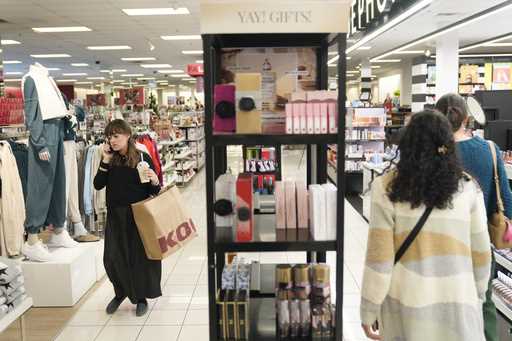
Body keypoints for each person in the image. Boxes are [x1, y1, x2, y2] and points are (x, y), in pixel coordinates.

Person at [360, 111, 491, 341]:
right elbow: (481, 254)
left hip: (408, 308)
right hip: (458, 305)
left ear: (408, 144)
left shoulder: (386, 188)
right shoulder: (468, 188)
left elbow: (379, 260)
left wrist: (369, 309)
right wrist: (477, 294)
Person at [436, 93, 512, 341]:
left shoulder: (434, 154)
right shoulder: (490, 150)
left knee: (443, 308)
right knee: (484, 304)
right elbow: (506, 202)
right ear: (467, 118)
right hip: (479, 246)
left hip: (440, 246)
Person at [94, 119, 162, 317]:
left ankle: (140, 297)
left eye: (116, 136)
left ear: (127, 135)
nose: (112, 141)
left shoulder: (141, 157)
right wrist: (105, 160)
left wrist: (155, 180)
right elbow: (98, 184)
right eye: (109, 137)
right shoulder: (110, 159)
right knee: (114, 257)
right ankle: (120, 292)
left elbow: (154, 189)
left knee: (138, 258)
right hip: (115, 215)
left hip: (137, 215)